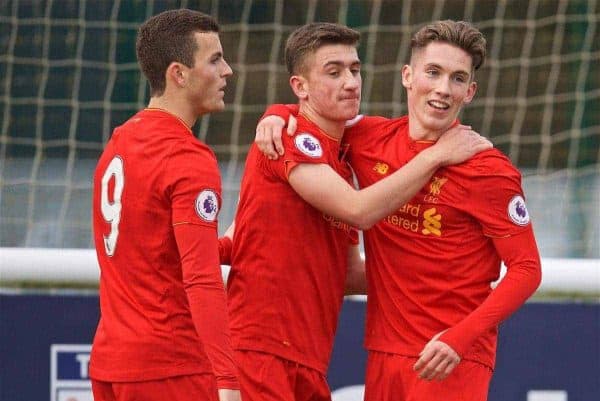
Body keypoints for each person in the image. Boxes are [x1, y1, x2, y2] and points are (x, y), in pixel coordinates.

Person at [258, 20, 542, 401]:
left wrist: (460, 338)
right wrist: (275, 113)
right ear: (408, 76)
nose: (443, 89)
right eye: (433, 72)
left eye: (458, 79)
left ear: (470, 92)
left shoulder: (488, 169)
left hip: (450, 359)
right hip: (383, 354)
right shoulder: (367, 138)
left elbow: (527, 269)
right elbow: (311, 110)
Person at [90, 9, 240, 401]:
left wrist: (223, 245)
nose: (228, 71)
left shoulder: (120, 142)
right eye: (215, 59)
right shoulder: (187, 157)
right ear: (179, 73)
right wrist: (227, 378)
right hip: (170, 368)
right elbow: (201, 278)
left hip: (111, 363)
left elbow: (144, 249)